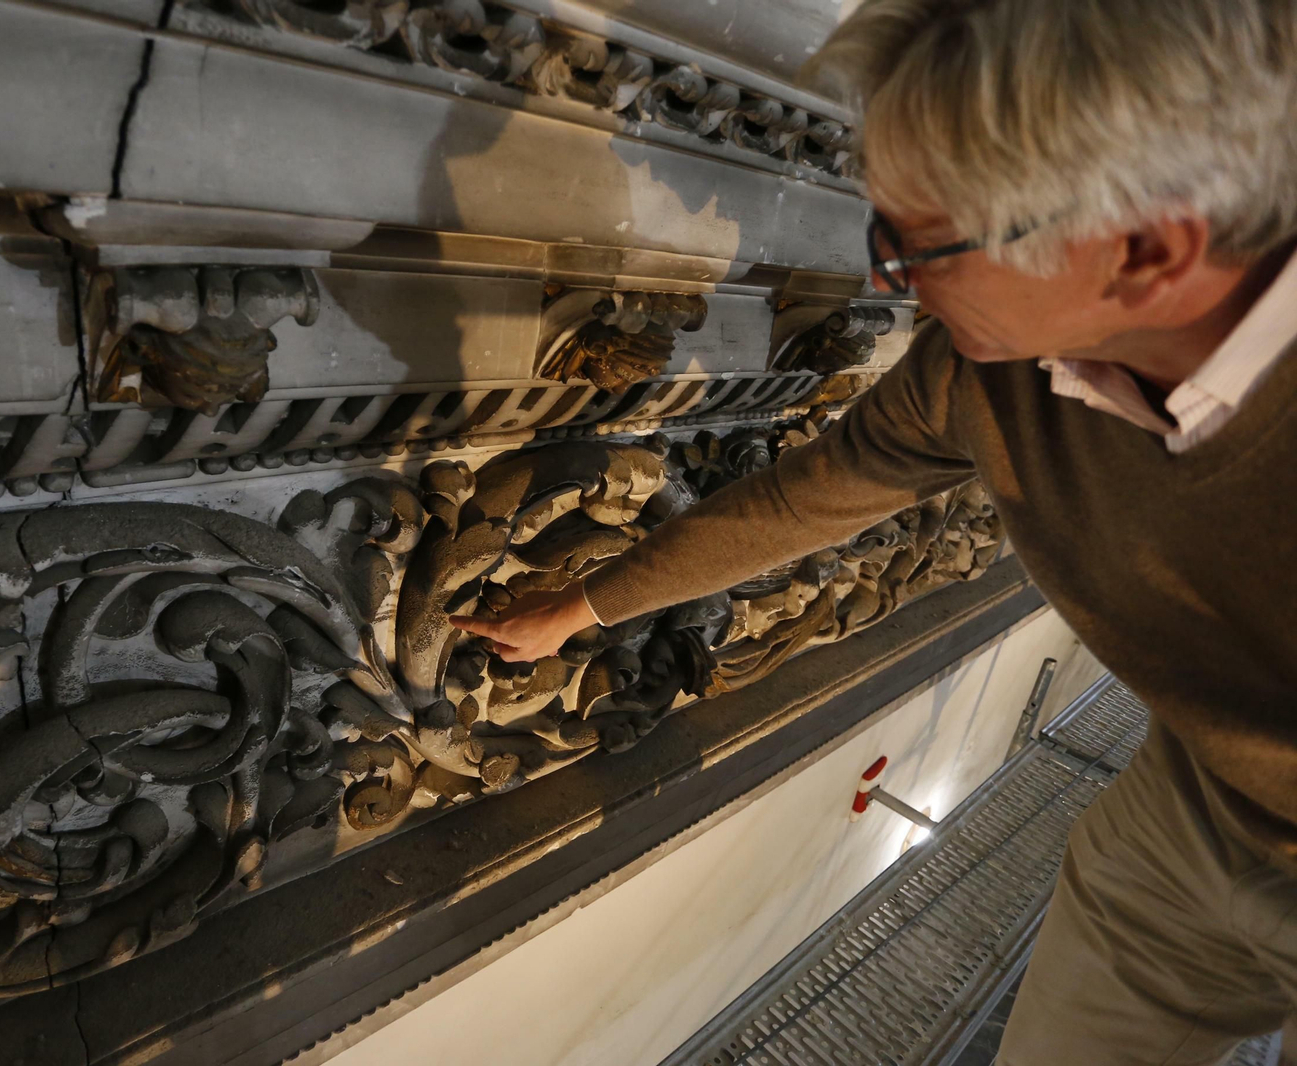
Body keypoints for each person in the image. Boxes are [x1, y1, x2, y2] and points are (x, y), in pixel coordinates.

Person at [450, 1, 1297, 1061]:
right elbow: (807, 496)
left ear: (1144, 252)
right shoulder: (985, 374)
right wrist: (577, 607)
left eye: (921, 244)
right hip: (1197, 812)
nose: (889, 283)